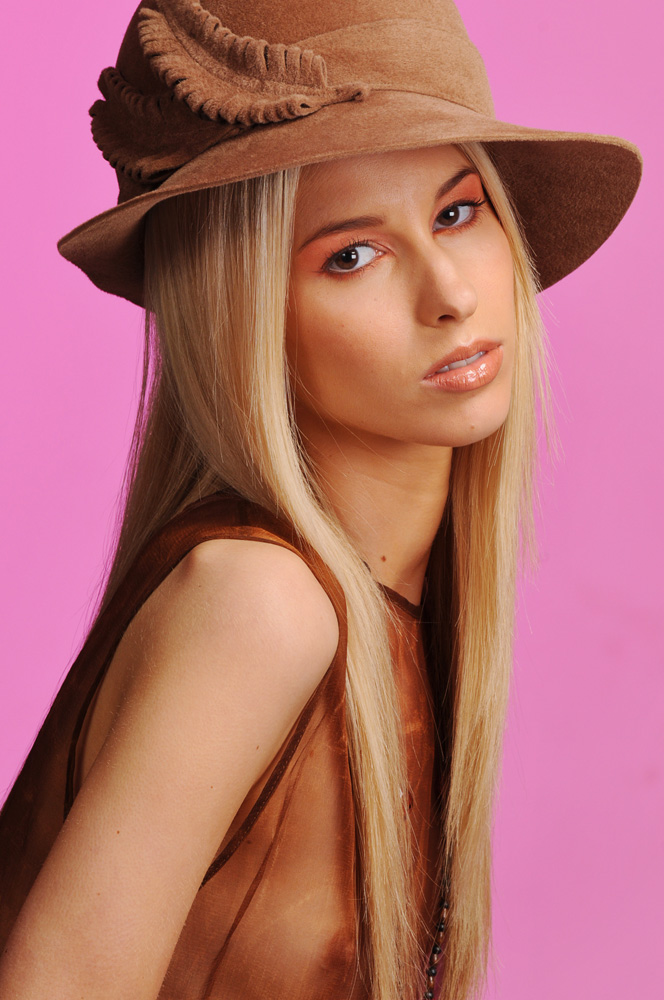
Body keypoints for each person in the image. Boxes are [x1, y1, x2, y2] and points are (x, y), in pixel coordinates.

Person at [0, 2, 642, 999]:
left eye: (457, 211)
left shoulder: (393, 614)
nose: (448, 293)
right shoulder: (261, 603)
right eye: (351, 254)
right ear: (246, 318)